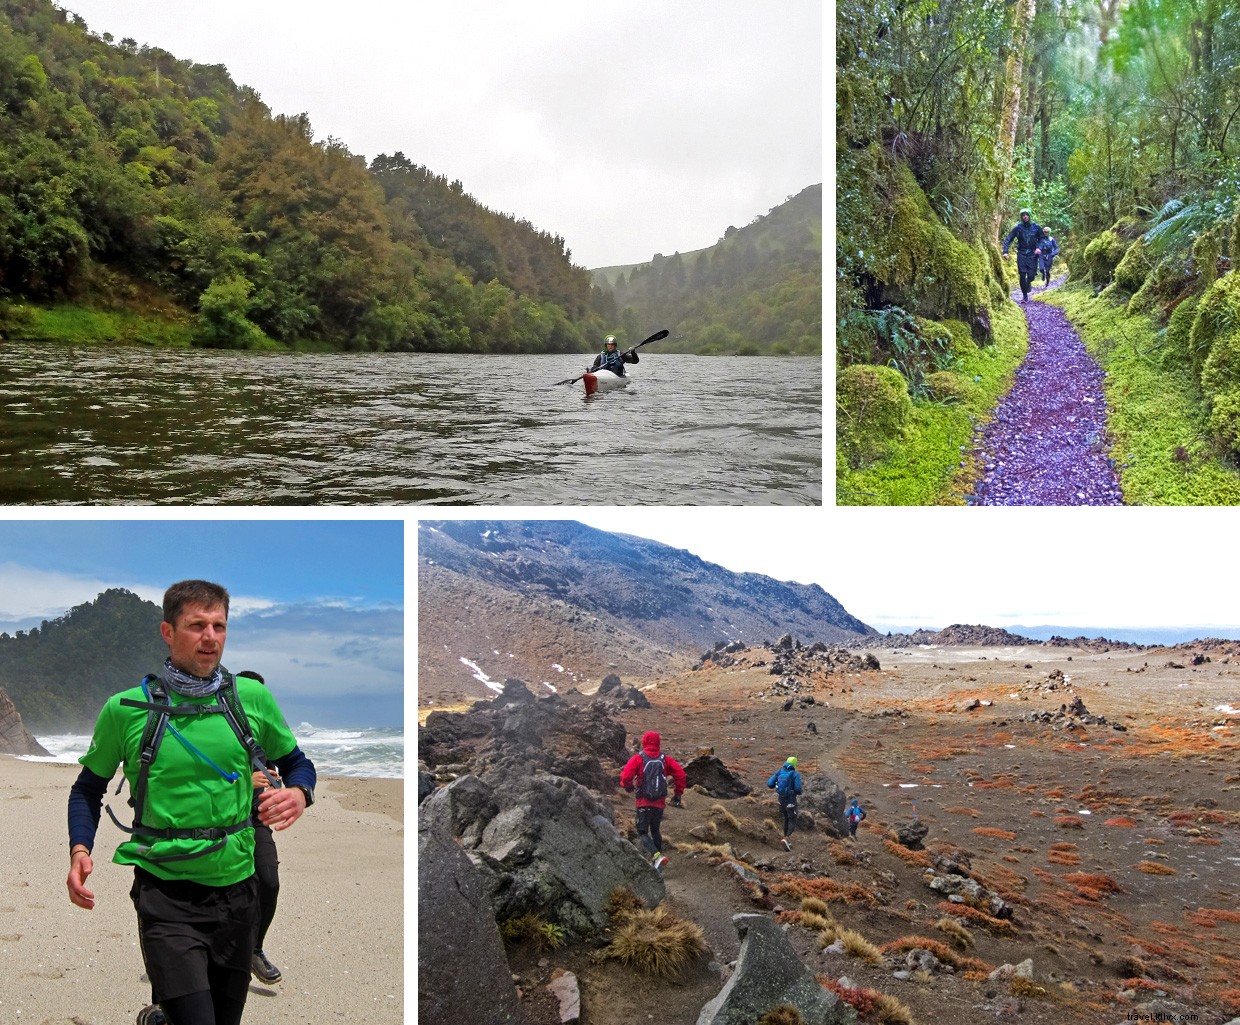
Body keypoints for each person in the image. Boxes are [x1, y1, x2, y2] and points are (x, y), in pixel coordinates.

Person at [66, 580, 317, 1025]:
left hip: (239, 892)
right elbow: (87, 789)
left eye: (219, 626)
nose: (211, 636)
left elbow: (298, 763)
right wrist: (80, 850)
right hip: (165, 893)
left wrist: (299, 793)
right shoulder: (125, 709)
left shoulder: (250, 698)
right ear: (168, 631)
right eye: (197, 625)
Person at [238, 670, 283, 987]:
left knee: (268, 882)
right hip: (217, 820)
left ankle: (255, 949)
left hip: (255, 818)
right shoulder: (213, 725)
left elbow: (279, 771)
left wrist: (278, 784)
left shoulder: (263, 734)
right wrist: (243, 781)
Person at [619, 730, 686, 872]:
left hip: (643, 802)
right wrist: (678, 794)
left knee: (642, 832)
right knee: (655, 830)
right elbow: (681, 774)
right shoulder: (665, 759)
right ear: (658, 743)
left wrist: (629, 787)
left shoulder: (639, 758)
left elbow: (625, 776)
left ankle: (657, 856)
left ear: (644, 742)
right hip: (659, 802)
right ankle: (658, 867)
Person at [1002, 207, 1044, 303]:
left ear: (1030, 216)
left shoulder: (1036, 227)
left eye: (1026, 215)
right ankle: (1025, 296)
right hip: (1021, 253)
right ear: (1021, 217)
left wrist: (1039, 248)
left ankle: (1029, 281)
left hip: (1033, 254)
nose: (1025, 217)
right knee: (1022, 274)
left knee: (1031, 276)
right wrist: (1005, 251)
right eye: (1023, 215)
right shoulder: (1018, 228)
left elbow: (1042, 238)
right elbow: (1009, 239)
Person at [767, 756, 803, 851]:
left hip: (781, 800)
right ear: (795, 764)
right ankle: (786, 838)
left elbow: (769, 784)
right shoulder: (795, 774)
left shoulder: (779, 772)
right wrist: (798, 792)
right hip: (790, 800)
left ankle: (786, 838)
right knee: (792, 819)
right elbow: (798, 789)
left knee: (786, 818)